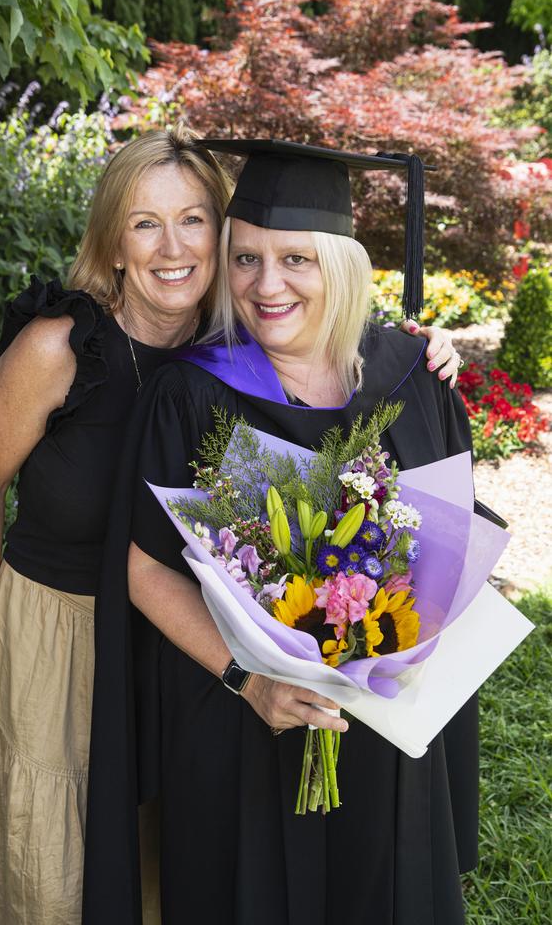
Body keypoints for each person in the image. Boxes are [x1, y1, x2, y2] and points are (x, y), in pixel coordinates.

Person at [0, 125, 459, 925]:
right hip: (76, 626)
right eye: (145, 223)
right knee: (60, 842)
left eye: (194, 221)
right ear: (114, 244)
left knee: (159, 848)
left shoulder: (310, 359)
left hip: (238, 670)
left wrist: (427, 356)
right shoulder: (104, 363)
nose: (175, 247)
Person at [114, 140, 478, 925]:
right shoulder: (191, 395)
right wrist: (252, 682)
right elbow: (144, 567)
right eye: (244, 259)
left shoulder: (413, 380)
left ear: (341, 265)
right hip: (238, 723)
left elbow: (452, 550)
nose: (265, 285)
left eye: (295, 260)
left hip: (381, 729)